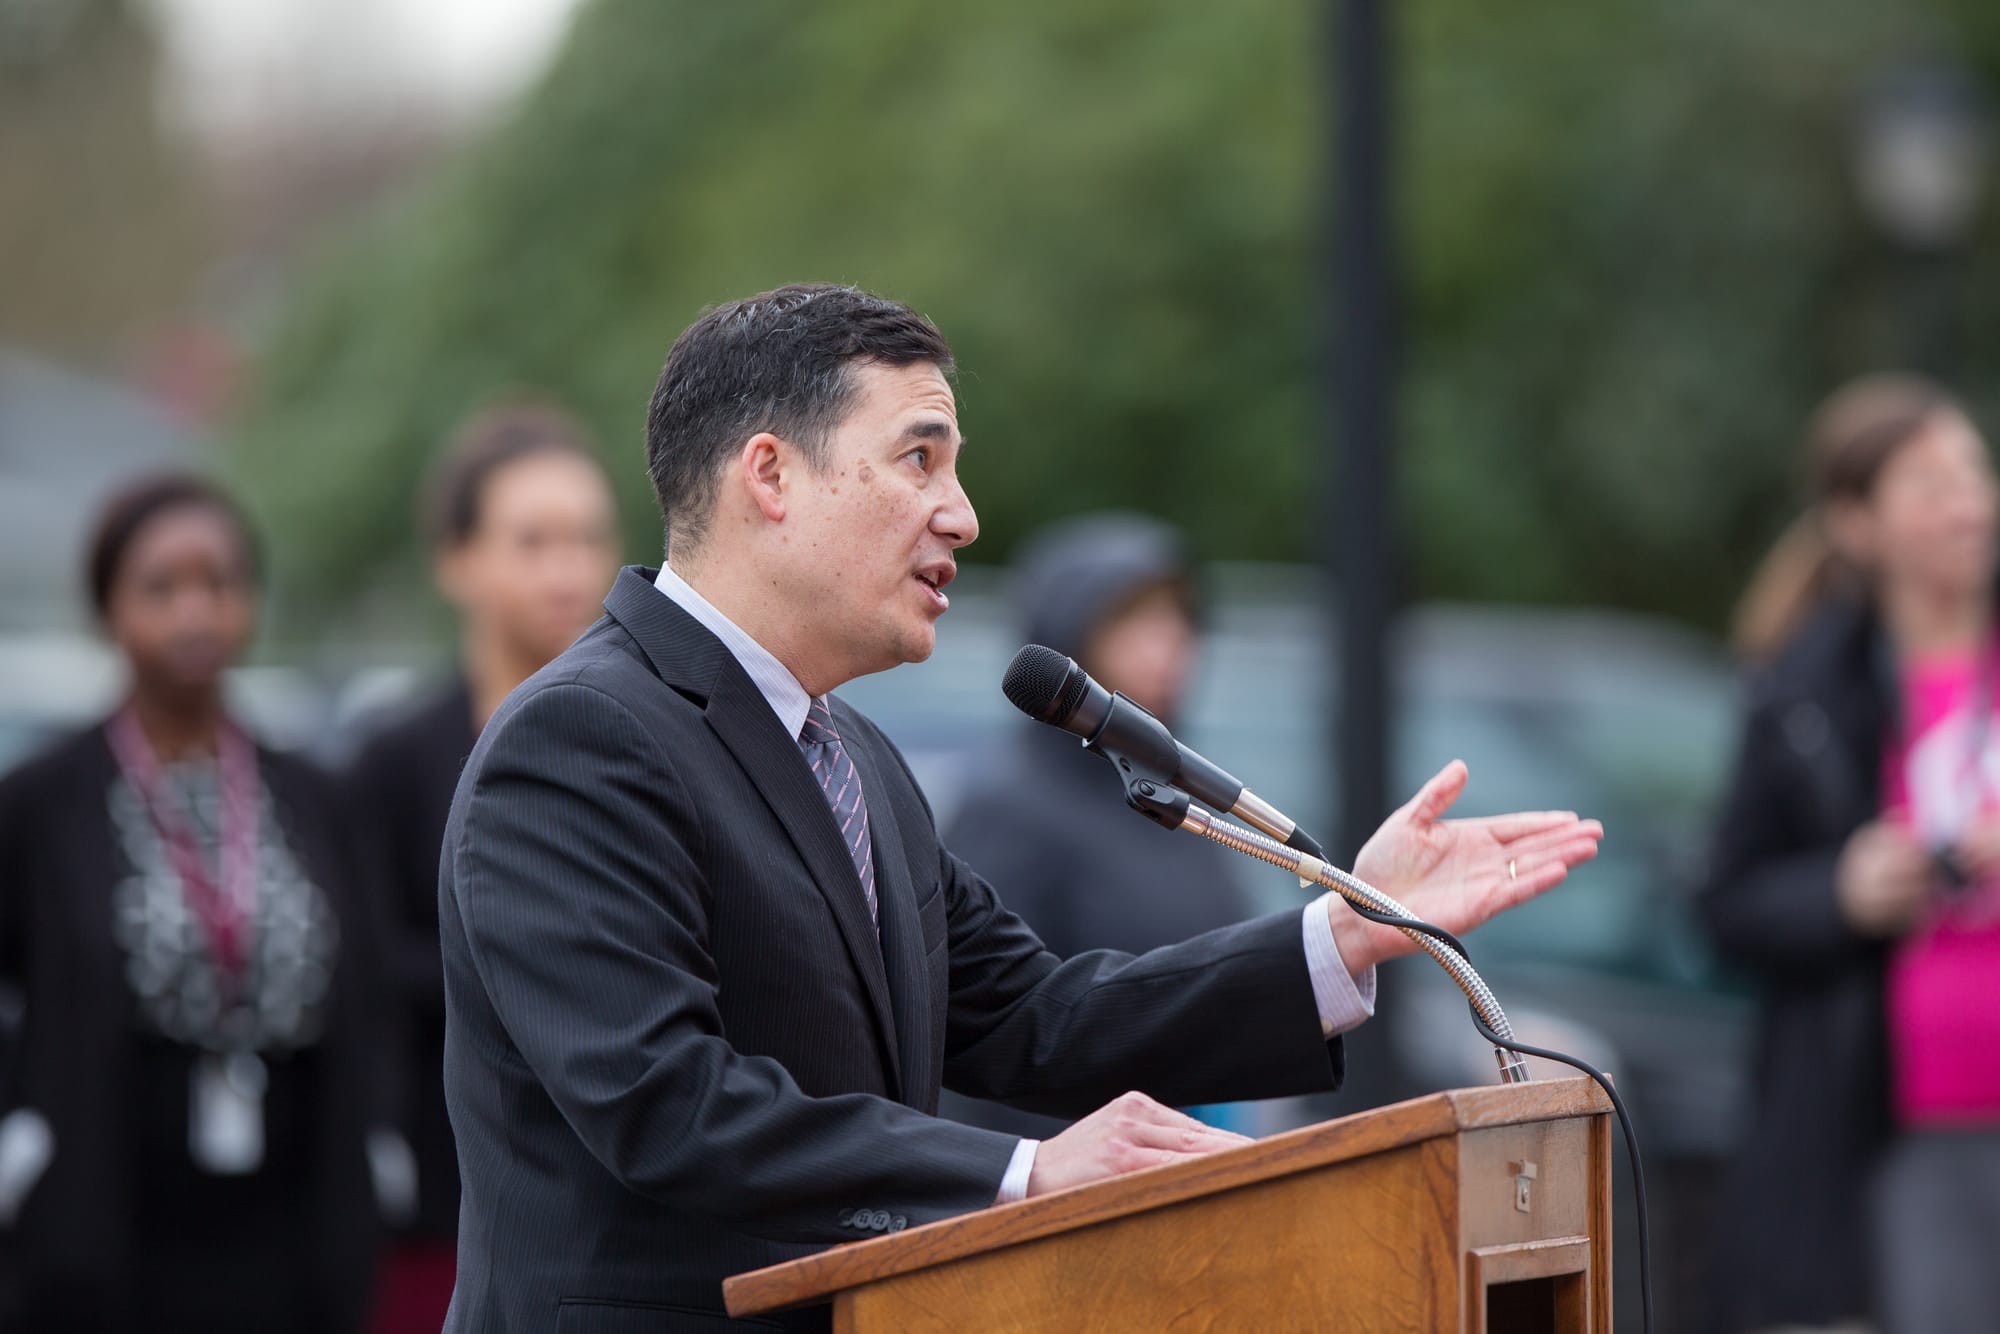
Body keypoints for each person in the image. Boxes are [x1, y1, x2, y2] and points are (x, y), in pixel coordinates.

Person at [438, 283, 1603, 1331]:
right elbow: (665, 1102)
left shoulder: (856, 757)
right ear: (770, 475)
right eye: (918, 459)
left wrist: (1346, 927)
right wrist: (1024, 1172)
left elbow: (1035, 1013)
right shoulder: (579, 738)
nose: (961, 515)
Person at [0, 475, 384, 1333]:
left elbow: (366, 992)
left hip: (289, 1212)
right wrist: (21, 1144)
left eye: (219, 583)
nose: (196, 612)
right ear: (107, 607)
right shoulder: (42, 802)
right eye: (161, 587)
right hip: (108, 1208)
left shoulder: (315, 795)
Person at [1701, 373, 2000, 1333]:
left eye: (1974, 475)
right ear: (1857, 523)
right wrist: (1841, 892)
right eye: (1931, 485)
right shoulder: (1805, 689)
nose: (1969, 504)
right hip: (1900, 1124)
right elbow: (1725, 903)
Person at [345, 401, 621, 1334]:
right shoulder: (391, 761)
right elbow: (365, 965)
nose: (567, 570)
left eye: (587, 538)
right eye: (532, 540)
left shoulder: (653, 745)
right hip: (444, 1196)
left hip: (629, 1202)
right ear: (457, 559)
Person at [939, 512, 1263, 1138]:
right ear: (1068, 640)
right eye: (1133, 622)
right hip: (1084, 1165)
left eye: (1177, 620)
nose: (1167, 646)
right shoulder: (1007, 808)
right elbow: (992, 1031)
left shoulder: (1177, 797)